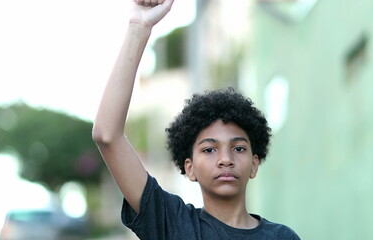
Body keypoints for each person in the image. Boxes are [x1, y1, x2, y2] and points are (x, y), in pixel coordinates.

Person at [92, 0, 301, 239]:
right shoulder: (171, 222)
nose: (225, 159)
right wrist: (139, 26)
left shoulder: (282, 236)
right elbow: (107, 135)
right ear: (189, 168)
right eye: (209, 149)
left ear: (254, 164)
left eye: (239, 148)